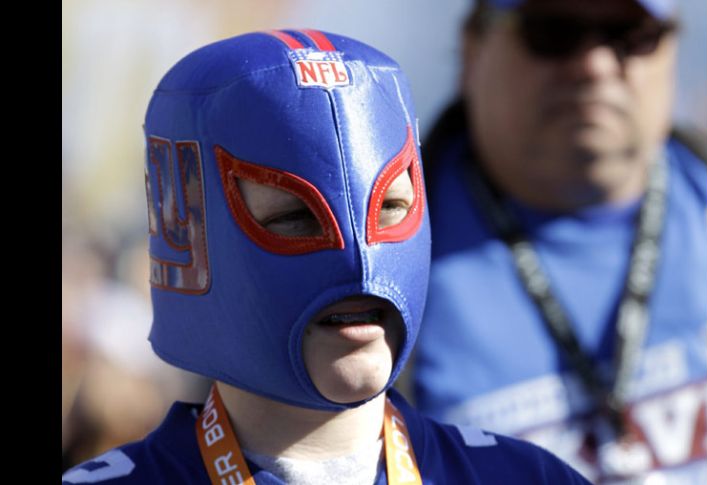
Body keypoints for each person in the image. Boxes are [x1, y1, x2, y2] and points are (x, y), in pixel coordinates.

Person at [61, 30, 590, 484]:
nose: (360, 263)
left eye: (390, 208)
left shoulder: (523, 476)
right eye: (294, 217)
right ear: (188, 234)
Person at [410, 0, 707, 483]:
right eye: (552, 32)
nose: (594, 66)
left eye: (631, 35)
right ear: (473, 47)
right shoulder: (375, 266)